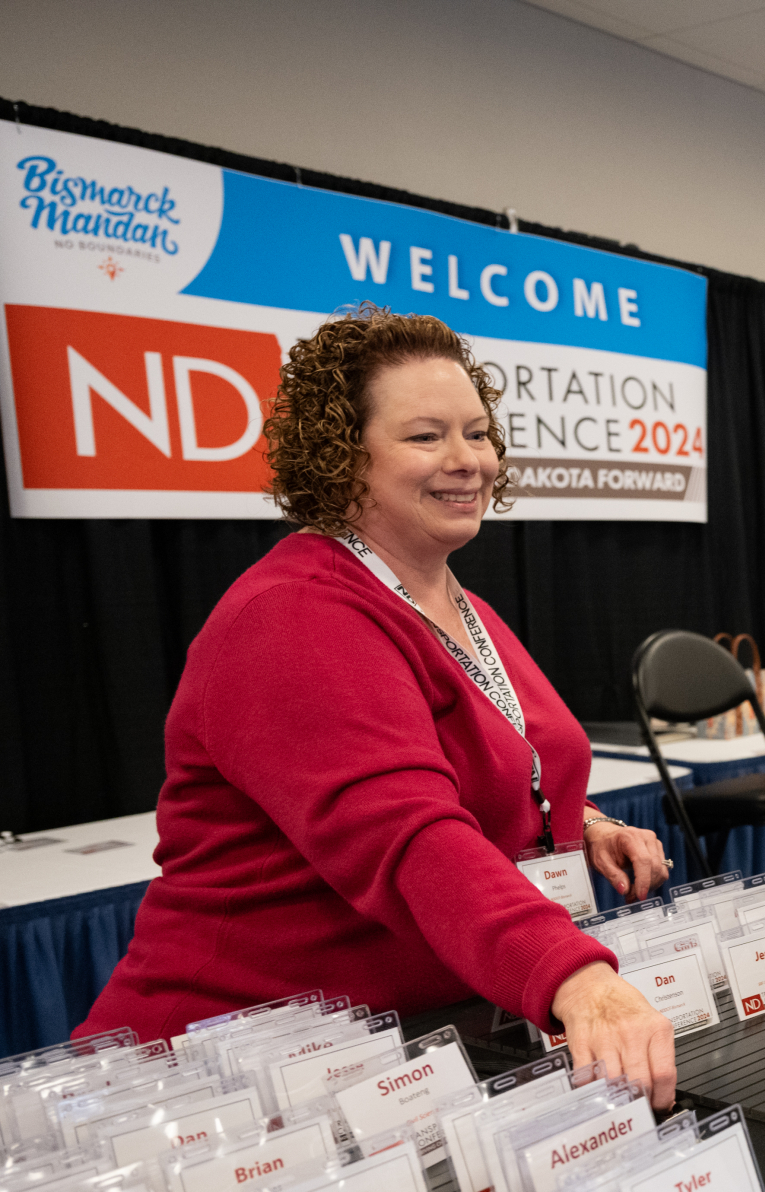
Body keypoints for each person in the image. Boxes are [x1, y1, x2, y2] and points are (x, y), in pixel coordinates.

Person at [79, 306, 678, 1105]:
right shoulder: (293, 616)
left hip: (399, 1051)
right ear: (341, 457)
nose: (468, 460)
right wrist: (572, 977)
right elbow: (405, 832)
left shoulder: (452, 601)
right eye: (426, 436)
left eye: (478, 432)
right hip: (229, 1081)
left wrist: (586, 822)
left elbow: (483, 766)